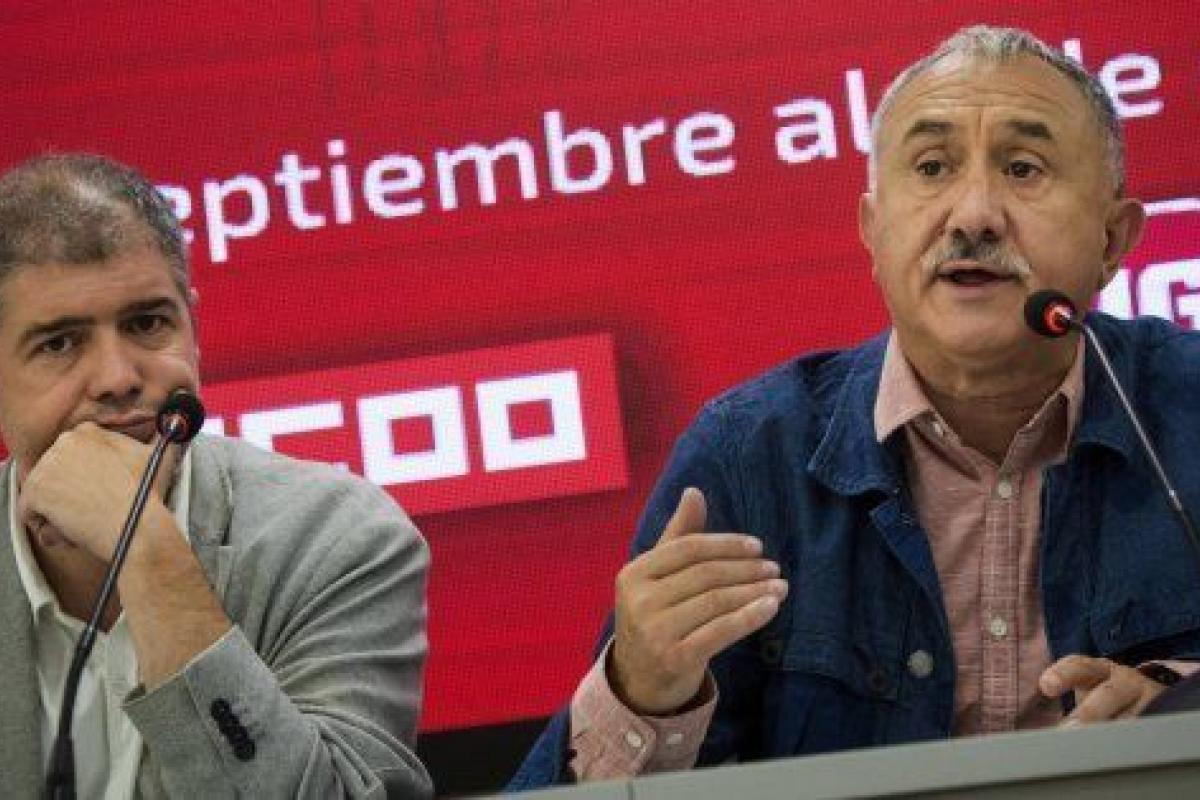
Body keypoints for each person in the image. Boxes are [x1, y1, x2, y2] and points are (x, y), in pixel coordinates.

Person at [510, 25, 1200, 788]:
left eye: (1023, 169)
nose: (974, 215)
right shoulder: (748, 457)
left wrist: (1183, 708)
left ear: (1113, 240)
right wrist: (641, 692)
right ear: (873, 232)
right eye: (932, 167)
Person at [0, 154, 432, 798]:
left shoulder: (337, 539)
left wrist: (148, 553)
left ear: (194, 330)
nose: (118, 377)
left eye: (147, 324)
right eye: (59, 343)